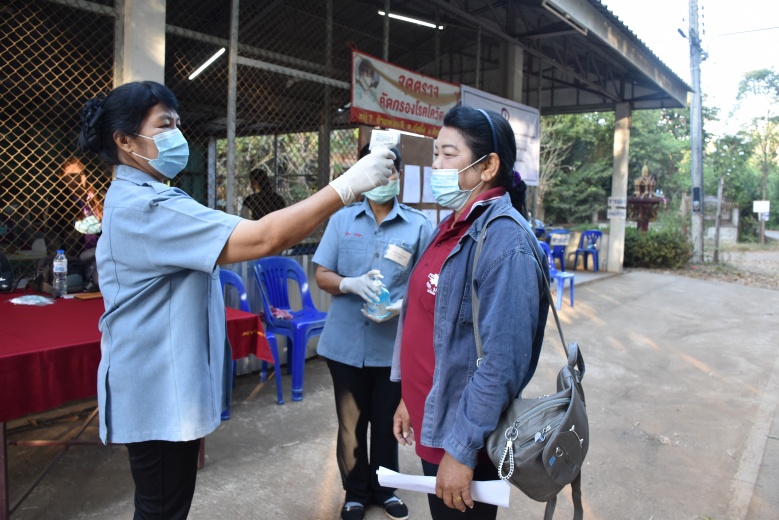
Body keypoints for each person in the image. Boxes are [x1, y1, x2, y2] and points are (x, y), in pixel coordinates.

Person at [76, 80, 395, 520]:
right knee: (161, 508)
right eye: (164, 124)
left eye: (178, 123)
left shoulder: (146, 198)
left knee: (164, 504)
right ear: (125, 140)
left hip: (158, 382)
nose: (177, 134)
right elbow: (265, 236)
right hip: (155, 387)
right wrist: (348, 186)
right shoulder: (148, 208)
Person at [390, 106, 550, 519]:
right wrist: (410, 395)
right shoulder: (453, 224)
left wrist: (461, 452)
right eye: (435, 155)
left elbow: (501, 362)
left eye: (448, 154)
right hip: (433, 417)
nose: (435, 166)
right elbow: (425, 320)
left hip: (463, 440)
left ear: (488, 166)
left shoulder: (504, 243)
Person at [313, 145, 433, 520]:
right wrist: (349, 284)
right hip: (345, 345)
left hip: (393, 349)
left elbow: (431, 282)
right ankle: (355, 491)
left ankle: (385, 488)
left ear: (398, 174)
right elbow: (322, 275)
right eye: (375, 168)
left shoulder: (418, 225)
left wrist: (404, 306)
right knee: (351, 423)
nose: (384, 176)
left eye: (391, 169)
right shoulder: (341, 219)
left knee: (388, 422)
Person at [55, 157, 105, 251]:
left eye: (82, 174)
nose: (78, 179)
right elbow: (53, 235)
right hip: (75, 254)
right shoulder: (58, 202)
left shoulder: (100, 196)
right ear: (62, 178)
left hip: (102, 251)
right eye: (72, 175)